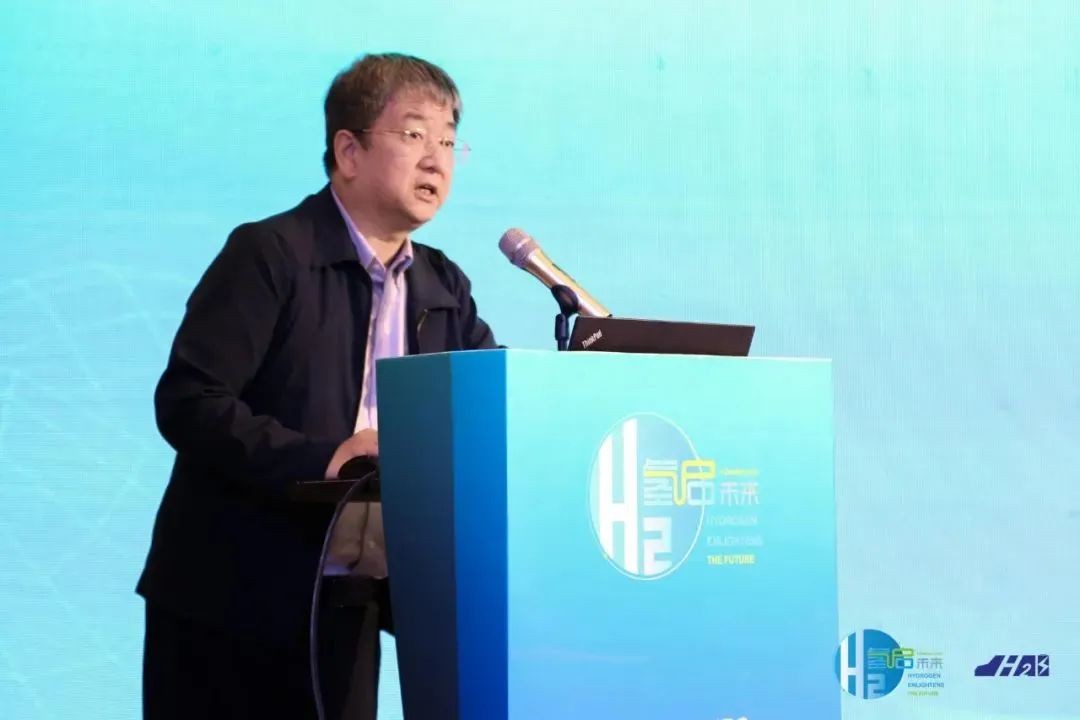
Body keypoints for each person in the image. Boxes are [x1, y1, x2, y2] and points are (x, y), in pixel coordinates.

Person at [137, 52, 496, 720]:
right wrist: (322, 458)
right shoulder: (271, 254)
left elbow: (487, 409)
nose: (436, 160)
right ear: (349, 151)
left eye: (449, 142)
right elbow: (189, 402)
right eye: (415, 134)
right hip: (232, 598)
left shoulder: (443, 284)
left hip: (352, 598)